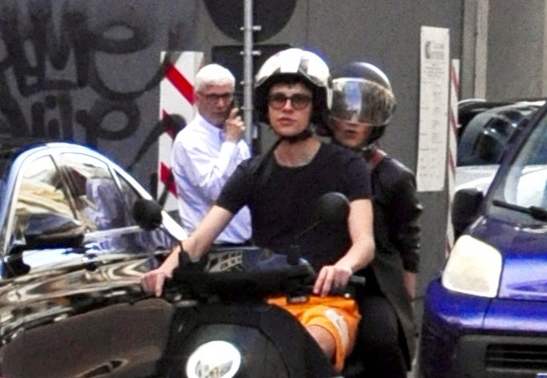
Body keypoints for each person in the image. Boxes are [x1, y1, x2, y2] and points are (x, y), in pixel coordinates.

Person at [146, 50, 376, 299]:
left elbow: (365, 242)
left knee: (317, 336)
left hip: (325, 299)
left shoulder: (348, 166)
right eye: (278, 99)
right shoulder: (252, 172)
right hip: (265, 300)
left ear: (316, 107)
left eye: (299, 100)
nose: (287, 108)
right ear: (266, 106)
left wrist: (344, 266)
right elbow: (200, 239)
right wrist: (164, 270)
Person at [329, 60, 422, 378]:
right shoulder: (315, 165)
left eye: (365, 114)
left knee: (384, 340)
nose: (353, 122)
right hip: (318, 277)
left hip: (373, 284)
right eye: (346, 111)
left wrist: (405, 305)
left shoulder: (393, 176)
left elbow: (408, 244)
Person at [167, 62, 253, 242]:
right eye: (213, 97)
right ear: (197, 98)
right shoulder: (189, 140)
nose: (221, 104)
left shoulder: (235, 137)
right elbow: (215, 191)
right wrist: (229, 143)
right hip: (209, 247)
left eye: (226, 96)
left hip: (244, 241)